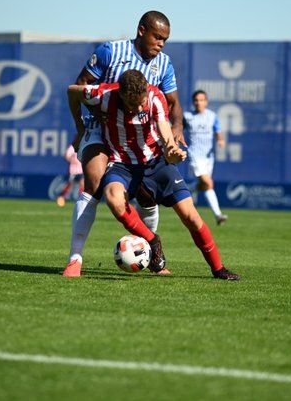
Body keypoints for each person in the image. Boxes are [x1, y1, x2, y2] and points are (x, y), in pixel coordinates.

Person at [66, 69, 240, 280]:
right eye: (134, 104)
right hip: (122, 164)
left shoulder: (154, 97)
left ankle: (218, 269)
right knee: (113, 197)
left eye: (141, 102)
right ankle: (152, 240)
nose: (140, 108)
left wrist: (171, 150)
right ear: (122, 95)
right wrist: (80, 126)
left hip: (156, 163)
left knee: (191, 216)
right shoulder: (103, 95)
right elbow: (72, 91)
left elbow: (165, 132)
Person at [63, 10, 185, 278]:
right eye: (157, 37)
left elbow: (173, 102)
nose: (161, 44)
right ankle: (75, 259)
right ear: (142, 30)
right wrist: (82, 125)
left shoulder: (164, 64)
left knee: (146, 196)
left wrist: (176, 129)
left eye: (165, 39)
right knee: (94, 184)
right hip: (101, 129)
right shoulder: (110, 51)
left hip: (140, 138)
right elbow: (80, 87)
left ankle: (154, 258)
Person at [183, 90, 228, 225]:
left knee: (205, 185)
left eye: (202, 100)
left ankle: (193, 189)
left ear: (206, 102)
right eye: (196, 100)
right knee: (208, 183)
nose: (199, 103)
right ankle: (218, 215)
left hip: (208, 157)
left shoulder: (212, 116)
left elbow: (218, 131)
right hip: (194, 155)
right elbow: (178, 128)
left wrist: (220, 140)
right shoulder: (187, 116)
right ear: (193, 102)